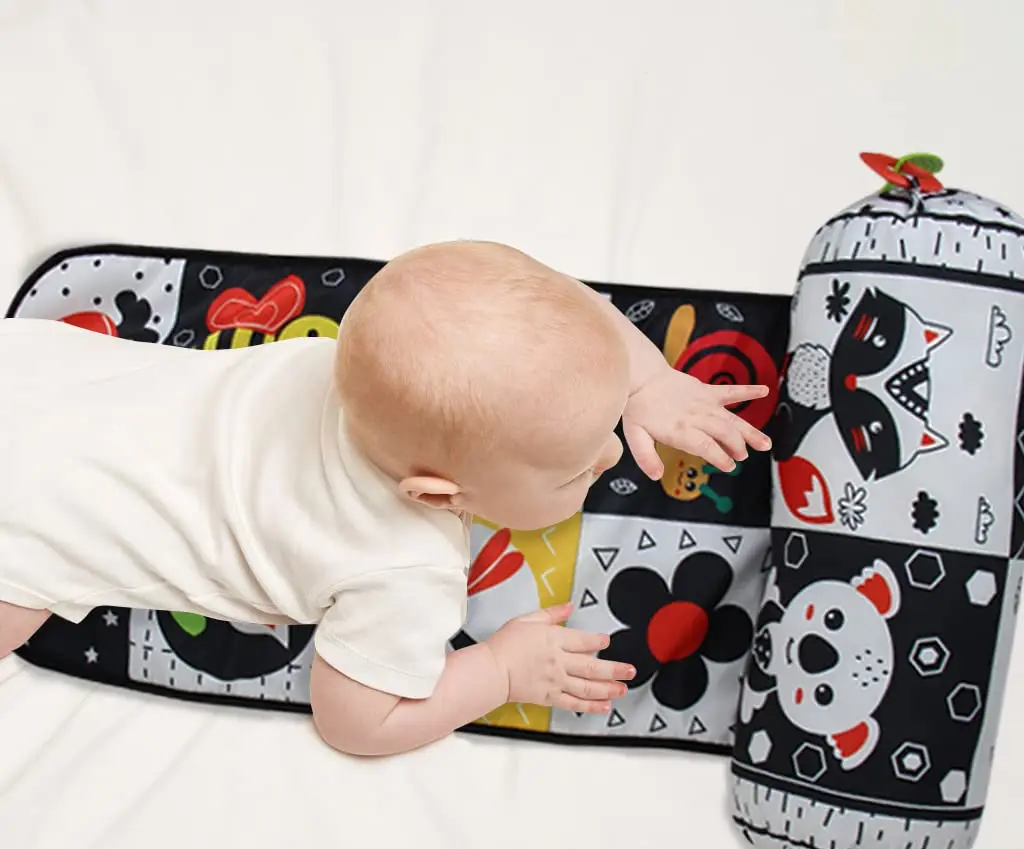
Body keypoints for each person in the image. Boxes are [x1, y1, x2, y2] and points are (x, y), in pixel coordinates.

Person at [0, 241, 770, 755]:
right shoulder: (407, 570)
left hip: (32, 368)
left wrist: (646, 380)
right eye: (576, 472)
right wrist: (498, 672)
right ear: (438, 495)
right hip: (24, 526)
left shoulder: (375, 357)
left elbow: (558, 312)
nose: (611, 456)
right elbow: (354, 722)